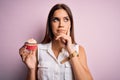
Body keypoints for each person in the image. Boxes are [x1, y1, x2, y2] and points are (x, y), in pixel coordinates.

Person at [19, 3, 93, 80]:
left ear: (70, 24)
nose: (61, 24)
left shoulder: (79, 50)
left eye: (66, 19)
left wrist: (70, 50)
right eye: (56, 20)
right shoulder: (38, 50)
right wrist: (31, 69)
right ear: (50, 24)